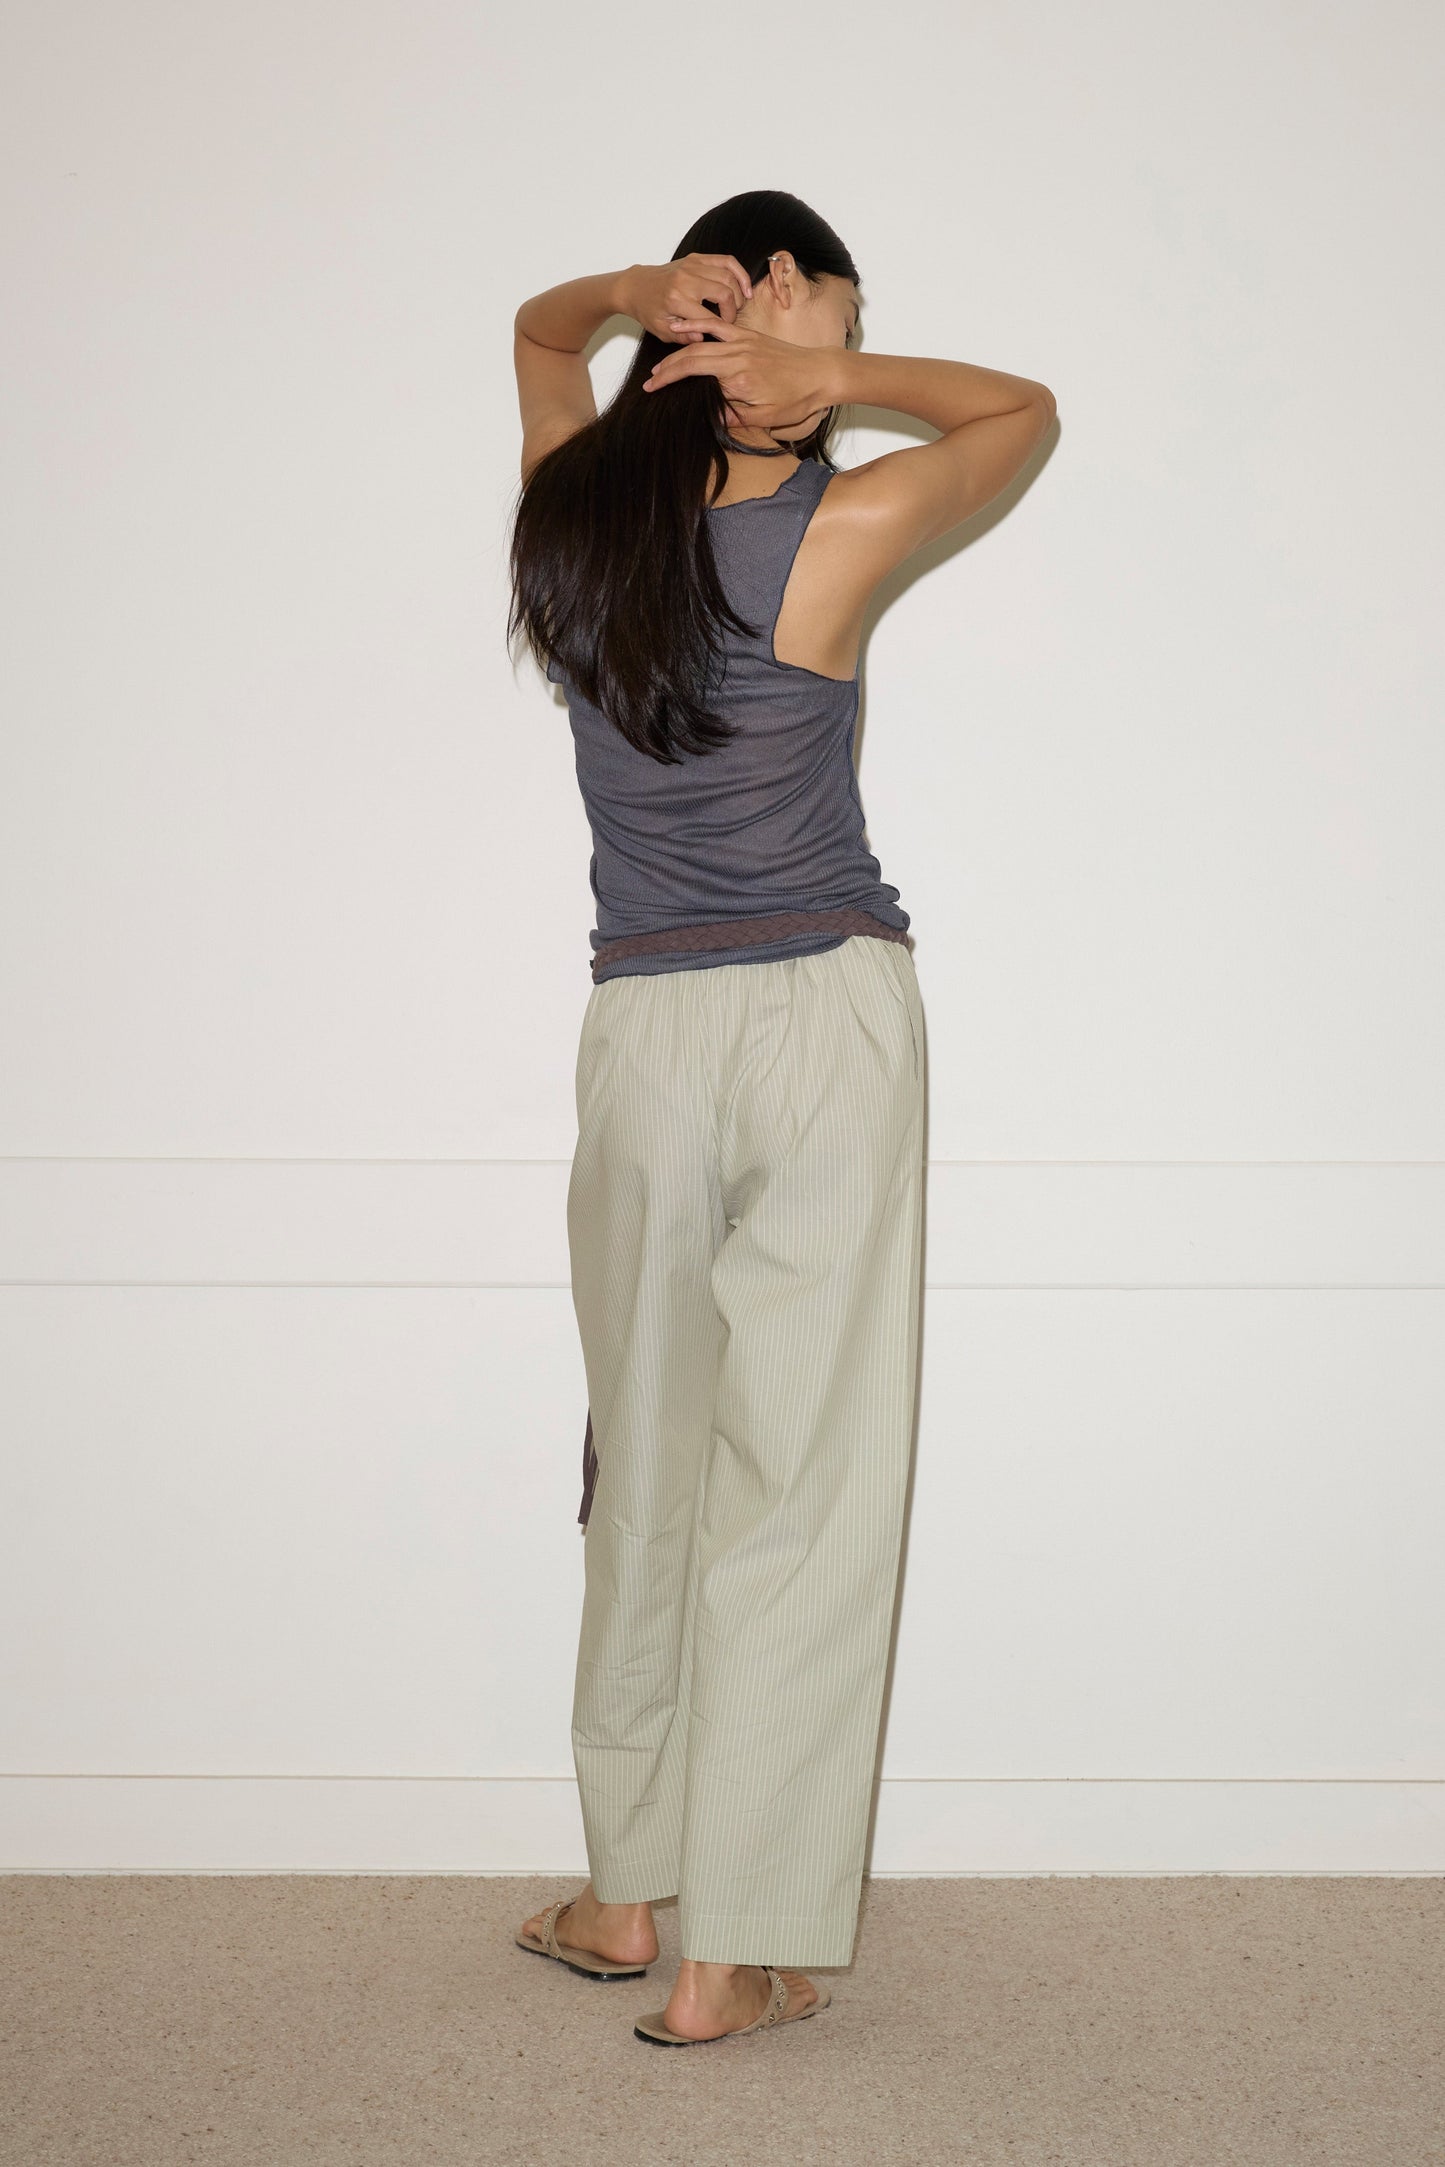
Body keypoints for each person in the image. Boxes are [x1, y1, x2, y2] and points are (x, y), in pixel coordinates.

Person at [507, 190, 1056, 2048]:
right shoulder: (839, 519)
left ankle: (619, 1893)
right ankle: (727, 1947)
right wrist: (827, 378)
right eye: (820, 308)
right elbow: (1018, 411)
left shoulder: (577, 518)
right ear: (753, 322)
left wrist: (624, 306)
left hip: (642, 1036)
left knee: (643, 1465)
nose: (827, 353)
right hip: (821, 1009)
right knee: (798, 1491)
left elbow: (529, 333)